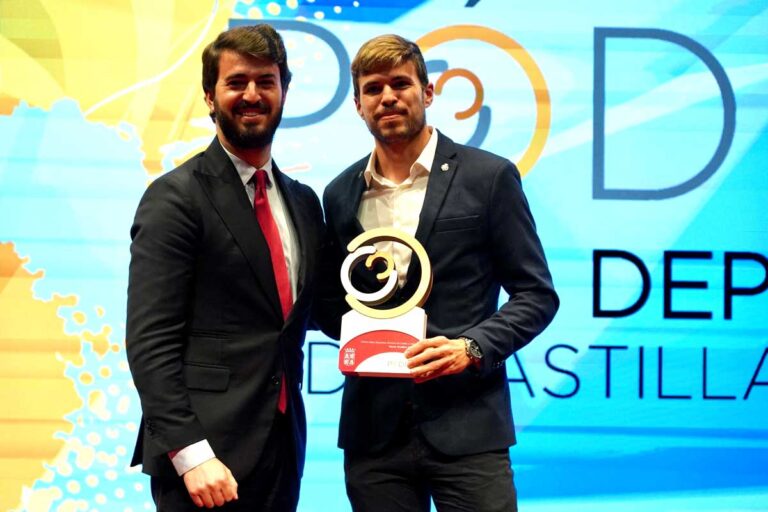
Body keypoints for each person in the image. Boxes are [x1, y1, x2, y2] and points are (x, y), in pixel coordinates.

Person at [316, 34, 559, 511]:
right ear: (358, 105)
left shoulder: (488, 177)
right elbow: (334, 303)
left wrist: (471, 348)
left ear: (427, 93)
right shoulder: (339, 193)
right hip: (373, 435)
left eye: (401, 84)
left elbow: (536, 295)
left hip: (467, 425)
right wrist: (356, 335)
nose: (388, 96)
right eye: (373, 88)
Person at [126, 24, 324, 511]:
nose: (252, 95)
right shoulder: (175, 197)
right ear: (210, 97)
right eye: (236, 83)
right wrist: (190, 455)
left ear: (284, 90)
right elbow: (150, 342)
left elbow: (321, 310)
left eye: (266, 81)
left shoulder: (303, 202)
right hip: (202, 460)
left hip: (281, 448)